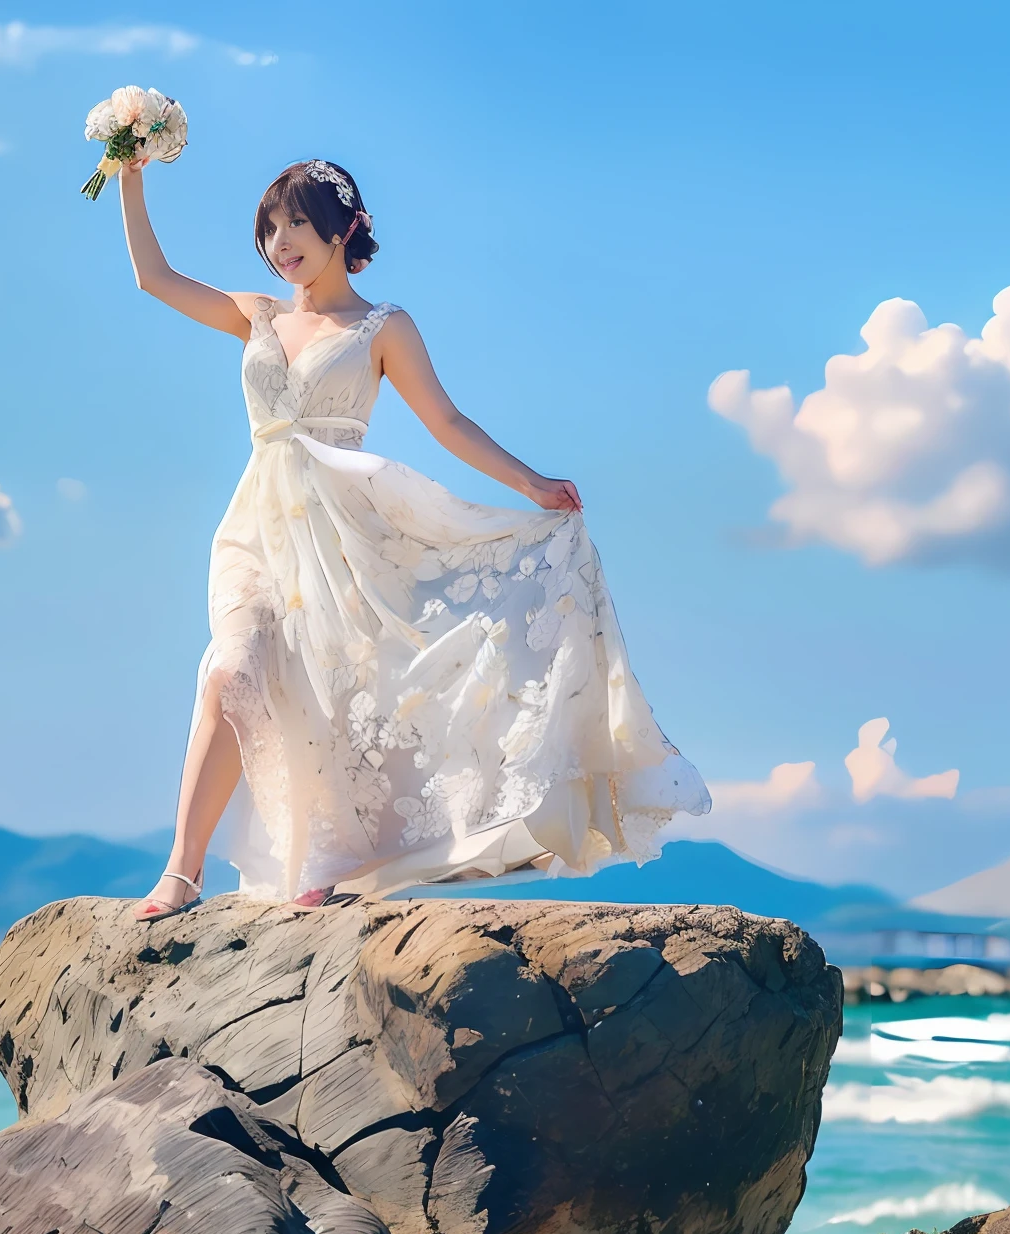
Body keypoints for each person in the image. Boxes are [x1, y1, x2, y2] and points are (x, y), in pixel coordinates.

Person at [118, 156, 708, 919]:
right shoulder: (257, 315)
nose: (280, 241)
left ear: (343, 227)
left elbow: (448, 422)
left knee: (338, 692)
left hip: (348, 533)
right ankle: (181, 873)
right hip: (256, 528)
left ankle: (331, 859)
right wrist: (129, 172)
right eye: (269, 228)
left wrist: (529, 483)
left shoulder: (382, 326)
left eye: (297, 222)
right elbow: (154, 278)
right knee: (231, 672)